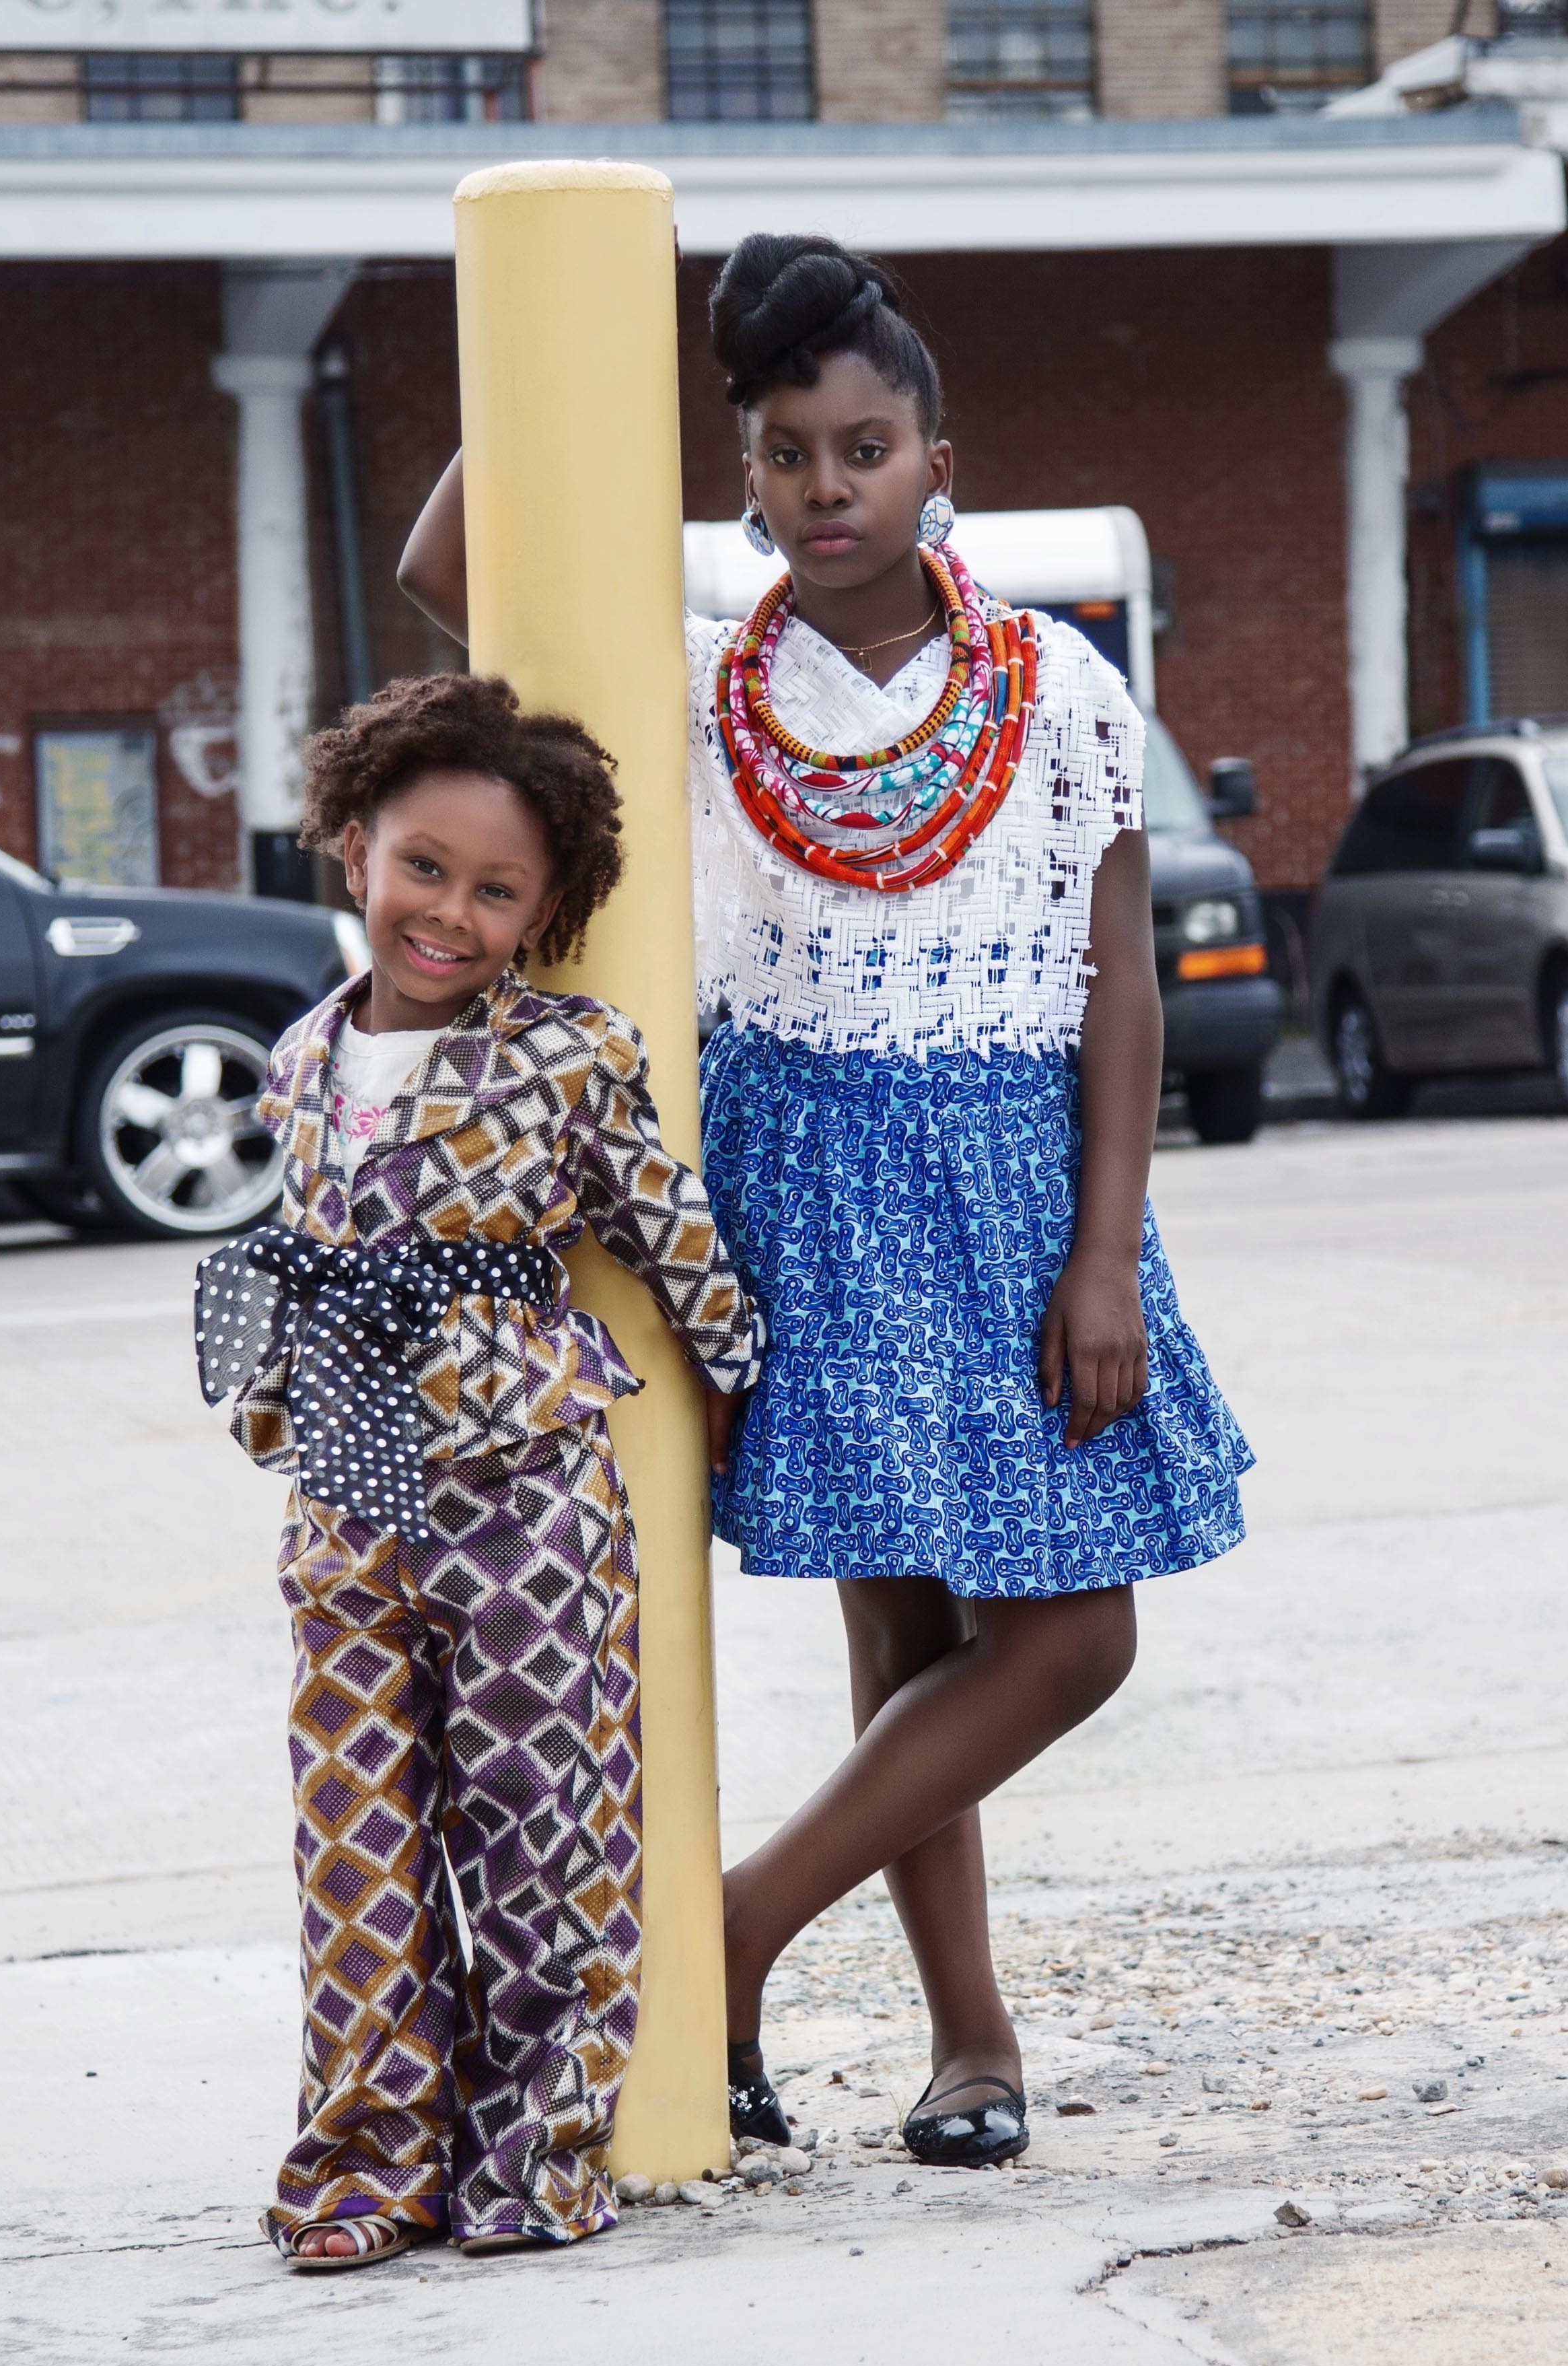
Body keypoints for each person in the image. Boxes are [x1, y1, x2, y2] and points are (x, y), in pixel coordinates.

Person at [400, 236, 1250, 2169]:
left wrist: (1106, 1251)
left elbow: (1120, 984)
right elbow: (448, 564)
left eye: (865, 447)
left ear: (941, 459)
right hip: (808, 1178)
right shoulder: (699, 686)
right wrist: (581, 325)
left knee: (1070, 1639)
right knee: (906, 1635)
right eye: (785, 454)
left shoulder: (1060, 689)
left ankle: (730, 1933)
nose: (827, 485)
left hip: (1017, 1187)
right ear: (747, 478)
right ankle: (971, 2045)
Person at [197, 673, 766, 2271]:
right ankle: (368, 2163)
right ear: (357, 850)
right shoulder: (302, 1055)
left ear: (545, 911)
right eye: (424, 868)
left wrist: (734, 1383)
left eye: (497, 891)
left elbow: (676, 1237)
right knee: (354, 1845)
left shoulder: (572, 1058)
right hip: (343, 1500)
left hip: (524, 1504)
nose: (449, 914)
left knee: (538, 1833)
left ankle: (533, 2156)